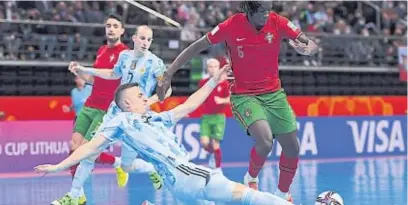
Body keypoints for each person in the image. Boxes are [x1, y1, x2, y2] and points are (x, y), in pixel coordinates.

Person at [34, 66, 294, 205]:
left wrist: (214, 81)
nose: (144, 97)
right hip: (188, 175)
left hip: (179, 185)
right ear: (127, 104)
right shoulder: (122, 121)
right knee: (250, 196)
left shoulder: (155, 117)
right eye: (138, 96)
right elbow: (89, 147)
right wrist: (60, 166)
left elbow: (189, 106)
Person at [156, 1, 319, 203]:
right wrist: (168, 73)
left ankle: (282, 195)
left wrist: (307, 50)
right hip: (245, 95)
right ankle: (250, 177)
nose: (266, 15)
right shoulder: (231, 26)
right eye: (261, 11)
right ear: (249, 10)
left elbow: (310, 44)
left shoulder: (279, 22)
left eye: (268, 11)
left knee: (292, 147)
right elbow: (197, 46)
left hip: (274, 94)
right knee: (266, 141)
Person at [55, 24, 172, 205]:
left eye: (149, 39)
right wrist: (87, 69)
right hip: (114, 113)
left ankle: (150, 168)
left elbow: (168, 90)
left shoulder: (155, 63)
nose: (145, 42)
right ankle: (74, 194)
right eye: (142, 38)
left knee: (127, 166)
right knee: (90, 152)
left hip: (135, 119)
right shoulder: (124, 56)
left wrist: (148, 101)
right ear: (134, 39)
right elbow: (112, 73)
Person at [57, 13, 129, 205]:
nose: (111, 29)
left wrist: (87, 69)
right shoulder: (101, 50)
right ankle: (78, 194)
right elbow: (94, 80)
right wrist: (80, 72)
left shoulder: (125, 53)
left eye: (115, 26)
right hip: (90, 105)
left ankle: (117, 164)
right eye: (108, 26)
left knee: (86, 150)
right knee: (74, 147)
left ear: (122, 30)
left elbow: (114, 76)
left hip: (107, 110)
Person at [198, 58, 230, 171]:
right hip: (206, 117)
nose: (212, 69)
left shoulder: (225, 84)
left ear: (219, 68)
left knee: (216, 143)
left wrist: (221, 100)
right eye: (210, 67)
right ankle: (213, 154)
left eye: (215, 66)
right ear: (207, 68)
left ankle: (217, 168)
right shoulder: (203, 82)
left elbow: (231, 99)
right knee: (205, 142)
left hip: (219, 117)